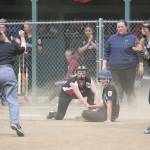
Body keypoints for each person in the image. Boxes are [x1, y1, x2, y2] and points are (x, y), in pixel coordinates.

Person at [102, 20, 144, 105]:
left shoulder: (133, 38)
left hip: (129, 69)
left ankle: (133, 110)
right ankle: (117, 109)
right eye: (118, 27)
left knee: (129, 89)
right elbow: (107, 52)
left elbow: (140, 51)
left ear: (126, 27)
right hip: (114, 69)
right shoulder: (112, 38)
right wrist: (104, 65)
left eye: (122, 26)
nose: (120, 28)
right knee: (117, 89)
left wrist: (141, 65)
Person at [0, 29, 26, 136]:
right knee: (12, 100)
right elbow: (23, 48)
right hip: (7, 72)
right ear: (5, 37)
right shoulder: (11, 46)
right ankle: (15, 123)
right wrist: (22, 36)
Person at [23, 21, 43, 99]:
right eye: (24, 26)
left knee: (31, 77)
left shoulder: (36, 36)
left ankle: (31, 93)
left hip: (32, 60)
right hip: (24, 59)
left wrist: (31, 46)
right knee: (24, 76)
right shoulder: (23, 36)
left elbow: (40, 50)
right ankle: (24, 93)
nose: (24, 28)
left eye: (26, 26)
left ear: (30, 27)